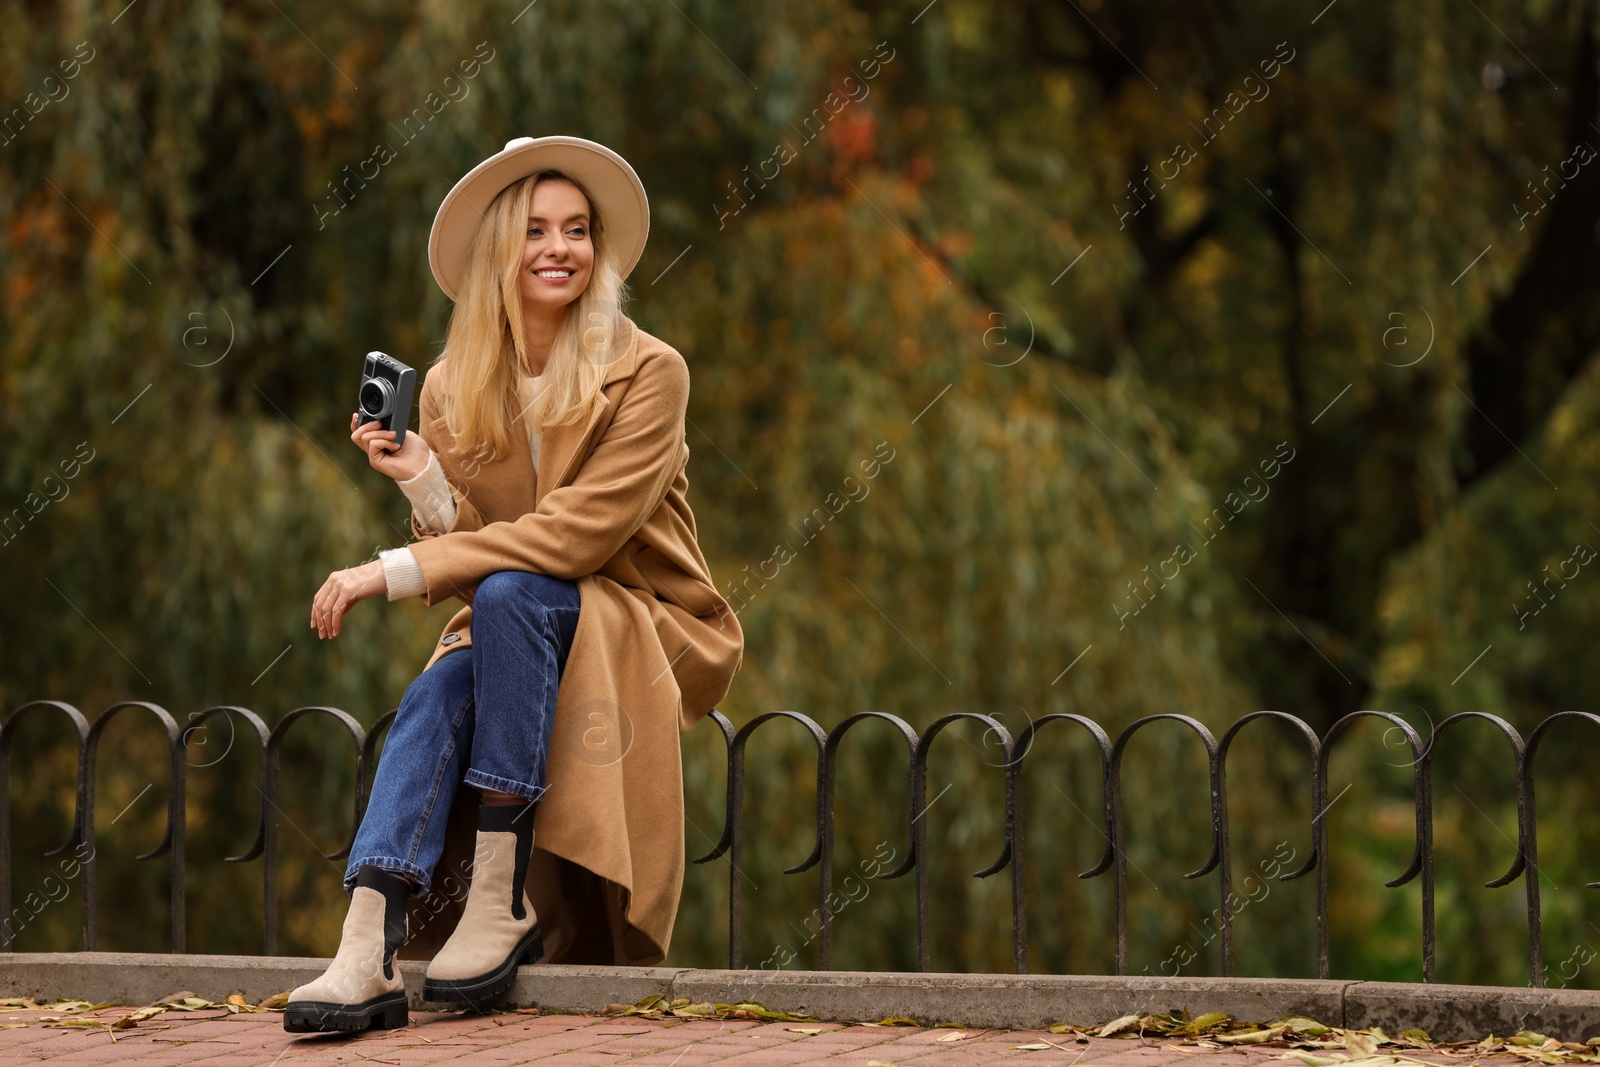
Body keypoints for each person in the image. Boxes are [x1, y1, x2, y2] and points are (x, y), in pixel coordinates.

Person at [283, 136, 744, 1033]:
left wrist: (392, 569)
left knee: (506, 599)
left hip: (636, 618)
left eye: (577, 230)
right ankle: (365, 937)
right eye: (536, 229)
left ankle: (499, 898)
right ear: (502, 248)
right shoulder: (455, 386)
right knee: (441, 682)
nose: (559, 248)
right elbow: (485, 566)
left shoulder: (650, 371)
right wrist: (422, 479)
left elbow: (576, 537)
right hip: (513, 620)